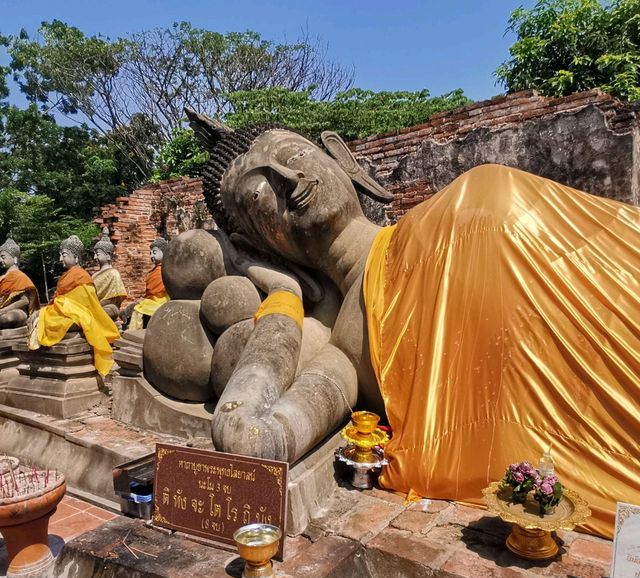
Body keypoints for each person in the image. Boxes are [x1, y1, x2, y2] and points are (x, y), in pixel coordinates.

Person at [187, 111, 640, 539]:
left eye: (295, 154)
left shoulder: (477, 192)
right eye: (258, 192)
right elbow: (250, 439)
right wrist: (283, 292)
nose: (287, 179)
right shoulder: (348, 350)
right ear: (258, 242)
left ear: (344, 161)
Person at [29, 235, 119, 376]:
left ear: (76, 257)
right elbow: (57, 300)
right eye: (60, 255)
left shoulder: (82, 276)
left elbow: (87, 304)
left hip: (78, 315)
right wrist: (46, 309)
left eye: (64, 255)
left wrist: (61, 305)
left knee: (59, 324)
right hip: (63, 313)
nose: (60, 259)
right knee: (41, 318)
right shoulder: (65, 277)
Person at [128, 238, 169, 330]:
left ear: (165, 253)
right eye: (150, 253)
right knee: (137, 306)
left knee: (139, 308)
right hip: (152, 299)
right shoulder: (153, 271)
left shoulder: (167, 270)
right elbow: (150, 291)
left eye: (154, 252)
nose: (151, 256)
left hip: (162, 300)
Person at [0, 236, 39, 328]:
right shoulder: (2, 278)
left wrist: (4, 310)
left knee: (7, 318)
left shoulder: (20, 277)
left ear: (15, 258)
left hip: (17, 311)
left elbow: (24, 301)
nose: (0, 260)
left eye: (3, 257)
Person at [92, 227, 127, 321]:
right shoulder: (94, 275)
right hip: (93, 306)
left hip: (107, 307)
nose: (95, 257)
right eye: (94, 254)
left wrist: (98, 305)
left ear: (108, 256)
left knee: (108, 311)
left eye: (98, 254)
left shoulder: (113, 273)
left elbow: (117, 298)